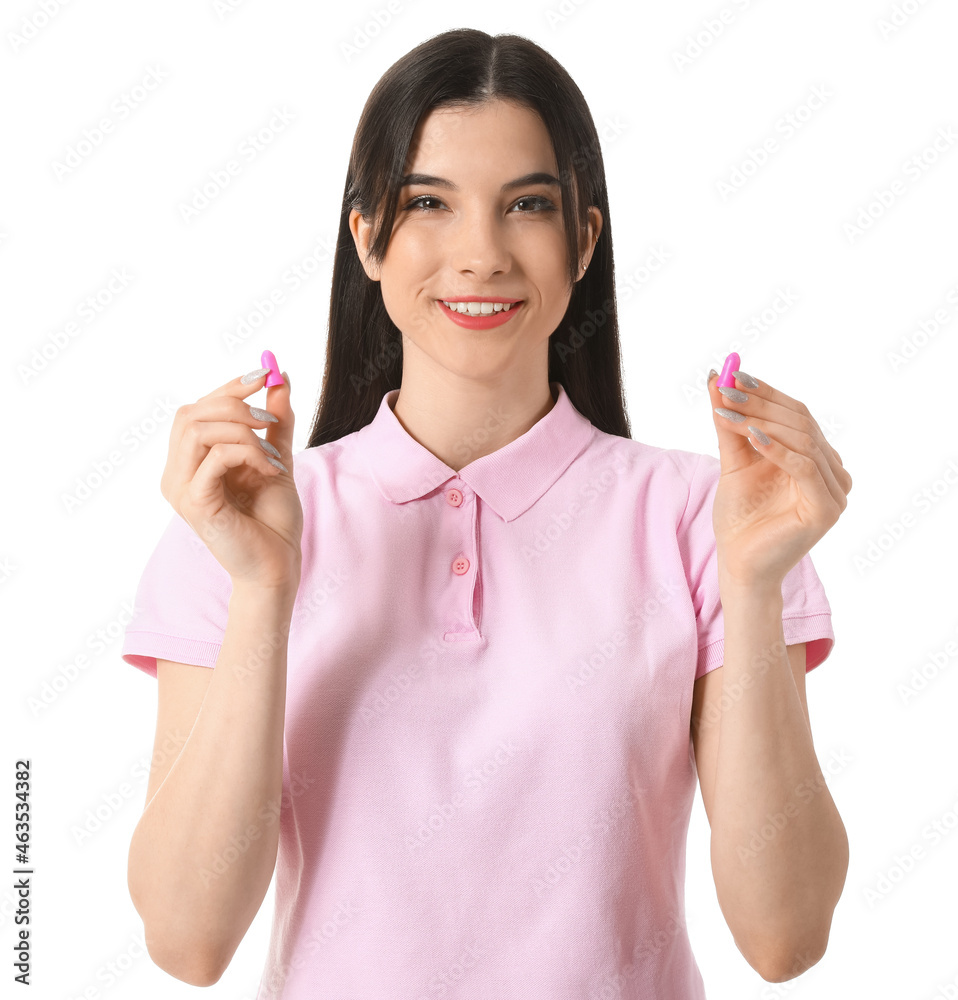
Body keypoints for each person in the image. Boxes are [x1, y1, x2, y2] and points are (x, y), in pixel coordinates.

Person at [122, 27, 851, 998]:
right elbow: (186, 939)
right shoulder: (243, 525)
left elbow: (783, 934)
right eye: (428, 201)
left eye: (528, 207)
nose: (480, 253)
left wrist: (754, 587)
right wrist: (263, 591)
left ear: (583, 239)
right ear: (366, 237)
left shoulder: (707, 523)